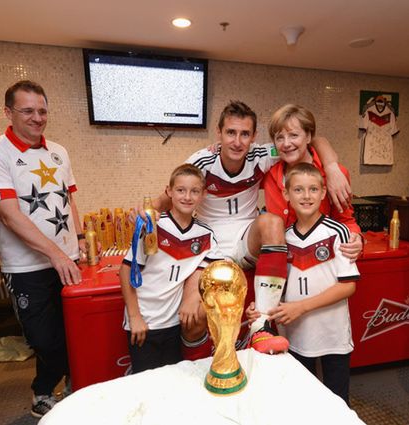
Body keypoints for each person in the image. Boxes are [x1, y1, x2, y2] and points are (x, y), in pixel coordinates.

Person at [151, 100, 361, 356]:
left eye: (245, 134)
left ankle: (260, 326)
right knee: (193, 316)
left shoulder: (262, 155)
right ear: (218, 134)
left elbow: (313, 140)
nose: (237, 141)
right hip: (208, 244)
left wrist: (330, 166)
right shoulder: (201, 161)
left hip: (245, 238)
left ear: (254, 137)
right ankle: (200, 367)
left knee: (272, 222)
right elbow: (169, 195)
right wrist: (146, 214)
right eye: (230, 133)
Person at [0, 80, 86, 418]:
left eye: (42, 111)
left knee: (73, 331)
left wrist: (79, 242)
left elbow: (70, 201)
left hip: (70, 259)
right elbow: (8, 216)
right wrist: (56, 254)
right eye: (27, 111)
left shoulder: (59, 151)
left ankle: (65, 387)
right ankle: (47, 388)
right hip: (28, 268)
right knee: (43, 338)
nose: (37, 118)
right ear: (8, 112)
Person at [249, 163, 359, 403]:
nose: (306, 196)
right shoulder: (281, 238)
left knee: (337, 405)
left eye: (313, 189)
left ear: (323, 193)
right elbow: (276, 287)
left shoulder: (337, 232)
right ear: (286, 194)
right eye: (298, 190)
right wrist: (260, 310)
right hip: (296, 338)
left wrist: (301, 307)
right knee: (301, 403)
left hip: (333, 338)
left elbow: (348, 286)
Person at [120, 164, 221, 373]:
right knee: (147, 385)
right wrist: (135, 317)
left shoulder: (206, 235)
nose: (187, 197)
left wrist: (194, 299)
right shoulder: (152, 226)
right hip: (145, 323)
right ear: (169, 192)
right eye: (181, 190)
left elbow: (204, 273)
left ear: (203, 194)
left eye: (195, 191)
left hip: (174, 325)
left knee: (172, 383)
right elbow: (125, 271)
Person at [262, 104, 361, 236]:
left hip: (319, 253)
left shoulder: (335, 175)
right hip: (279, 253)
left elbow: (346, 221)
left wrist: (355, 238)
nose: (286, 144)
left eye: (294, 135)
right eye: (280, 138)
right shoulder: (268, 173)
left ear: (308, 137)